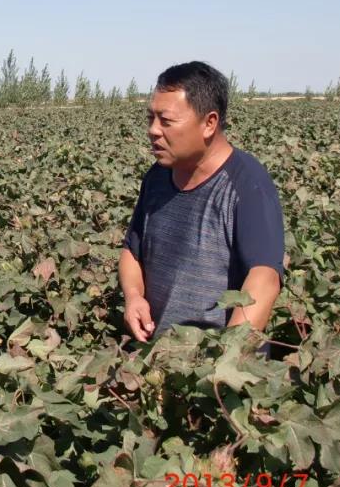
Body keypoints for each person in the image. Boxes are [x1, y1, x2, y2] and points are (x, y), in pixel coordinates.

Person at [120, 62, 284, 345]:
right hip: (158, 359)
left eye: (166, 121)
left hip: (212, 373)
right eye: (151, 118)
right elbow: (132, 252)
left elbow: (264, 279)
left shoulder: (247, 186)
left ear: (209, 123)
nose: (153, 130)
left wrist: (223, 362)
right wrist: (134, 297)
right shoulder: (157, 177)